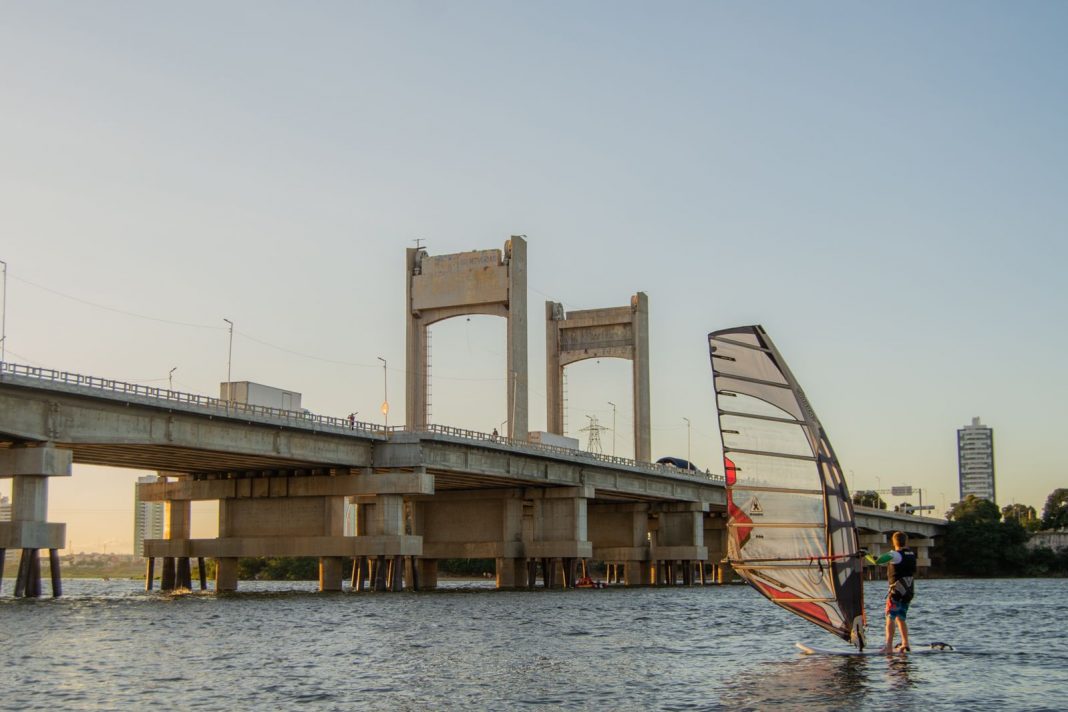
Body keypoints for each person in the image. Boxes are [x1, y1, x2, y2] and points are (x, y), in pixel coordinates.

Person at [866, 531, 917, 653]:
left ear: (893, 542)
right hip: (908, 592)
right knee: (901, 618)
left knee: (890, 617)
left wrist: (866, 554)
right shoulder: (911, 554)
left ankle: (888, 647)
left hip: (896, 592)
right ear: (906, 541)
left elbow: (877, 561)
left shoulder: (894, 555)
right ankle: (905, 643)